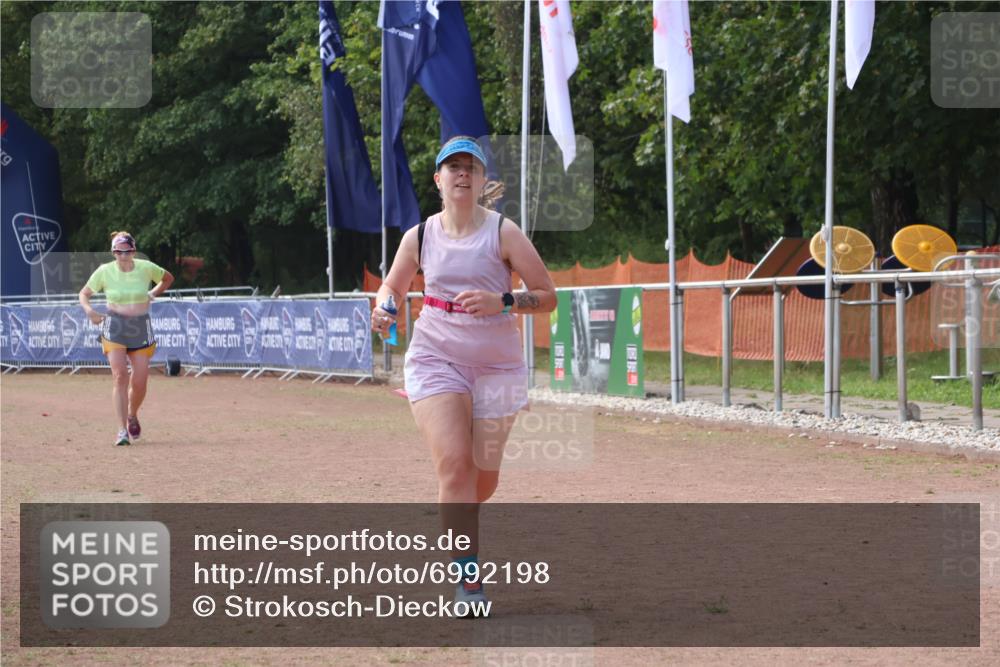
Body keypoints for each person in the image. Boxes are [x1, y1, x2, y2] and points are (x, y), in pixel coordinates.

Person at [372, 136, 556, 615]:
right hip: (436, 358)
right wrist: (384, 306)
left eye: (470, 167)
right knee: (455, 467)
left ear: (481, 180)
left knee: (481, 481)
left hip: (496, 363)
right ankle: (468, 580)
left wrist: (506, 300)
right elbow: (392, 285)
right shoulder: (419, 235)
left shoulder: (503, 233)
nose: (461, 173)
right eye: (451, 167)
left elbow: (547, 294)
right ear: (438, 179)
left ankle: (460, 520)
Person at [79, 231, 174, 446]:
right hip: (115, 325)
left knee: (140, 381)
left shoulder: (146, 267)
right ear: (113, 252)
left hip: (140, 327)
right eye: (119, 251)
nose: (124, 255)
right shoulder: (104, 271)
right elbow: (83, 294)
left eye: (128, 251)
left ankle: (132, 414)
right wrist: (90, 311)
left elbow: (168, 278)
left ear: (134, 250)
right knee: (120, 376)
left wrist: (152, 294)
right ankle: (122, 431)